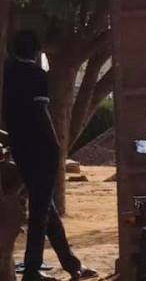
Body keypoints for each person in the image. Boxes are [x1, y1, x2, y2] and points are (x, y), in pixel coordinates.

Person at [2, 31, 97, 281]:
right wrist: (55, 145)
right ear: (36, 53)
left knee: (47, 208)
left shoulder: (8, 73)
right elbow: (40, 111)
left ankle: (71, 265)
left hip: (20, 149)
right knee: (40, 213)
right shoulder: (36, 76)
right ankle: (32, 271)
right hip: (40, 151)